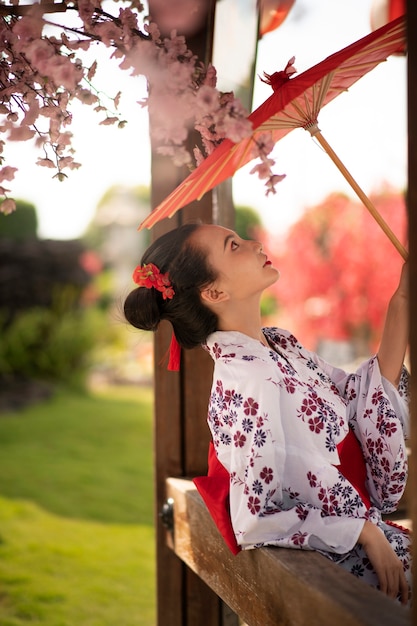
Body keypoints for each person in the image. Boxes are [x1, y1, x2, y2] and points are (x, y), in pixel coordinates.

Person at [124, 222, 411, 605]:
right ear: (214, 291)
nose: (256, 244)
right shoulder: (249, 380)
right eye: (234, 246)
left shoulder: (278, 346)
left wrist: (403, 299)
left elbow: (360, 398)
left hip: (356, 542)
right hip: (337, 567)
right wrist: (364, 532)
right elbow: (254, 517)